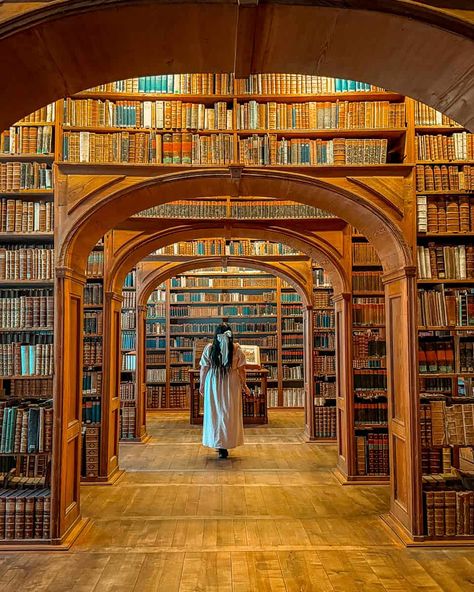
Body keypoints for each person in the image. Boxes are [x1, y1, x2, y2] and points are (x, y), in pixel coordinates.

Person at [199, 322, 250, 458]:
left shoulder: (210, 348)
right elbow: (241, 369)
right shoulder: (236, 349)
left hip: (214, 382)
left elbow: (204, 368)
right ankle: (227, 442)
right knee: (229, 412)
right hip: (231, 382)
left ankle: (218, 442)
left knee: (214, 412)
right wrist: (244, 385)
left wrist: (202, 385)